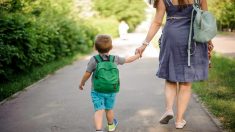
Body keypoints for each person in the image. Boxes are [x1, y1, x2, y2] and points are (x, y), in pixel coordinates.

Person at [135, 0, 214, 129]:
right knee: (186, 82)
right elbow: (205, 21)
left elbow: (157, 22)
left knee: (171, 77)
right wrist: (209, 40)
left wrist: (144, 44)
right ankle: (179, 120)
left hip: (172, 36)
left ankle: (168, 109)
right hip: (192, 37)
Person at [79, 34, 140, 132]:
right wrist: (138, 55)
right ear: (111, 47)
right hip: (111, 89)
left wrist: (82, 83)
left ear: (95, 47)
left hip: (97, 90)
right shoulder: (114, 58)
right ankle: (111, 126)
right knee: (109, 109)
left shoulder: (94, 60)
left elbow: (87, 73)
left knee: (99, 110)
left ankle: (98, 130)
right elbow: (128, 60)